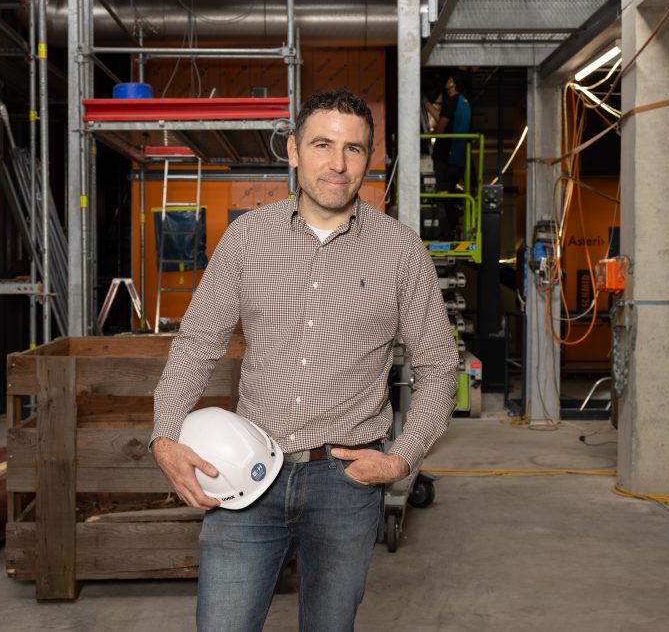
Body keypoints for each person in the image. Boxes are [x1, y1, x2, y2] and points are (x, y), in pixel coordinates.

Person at [151, 89, 459, 632]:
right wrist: (164, 436)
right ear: (294, 151)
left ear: (368, 159)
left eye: (353, 149)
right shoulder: (248, 238)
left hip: (346, 480)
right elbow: (197, 342)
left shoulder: (400, 250)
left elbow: (438, 364)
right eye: (322, 145)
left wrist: (401, 459)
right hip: (244, 474)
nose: (337, 164)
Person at [425, 74, 471, 237]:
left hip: (447, 155)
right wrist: (426, 104)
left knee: (442, 195)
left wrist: (428, 136)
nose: (446, 81)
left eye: (449, 79)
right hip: (458, 156)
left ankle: (446, 231)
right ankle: (453, 227)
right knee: (449, 192)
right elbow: (443, 117)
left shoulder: (452, 101)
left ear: (453, 83)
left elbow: (440, 127)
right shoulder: (463, 102)